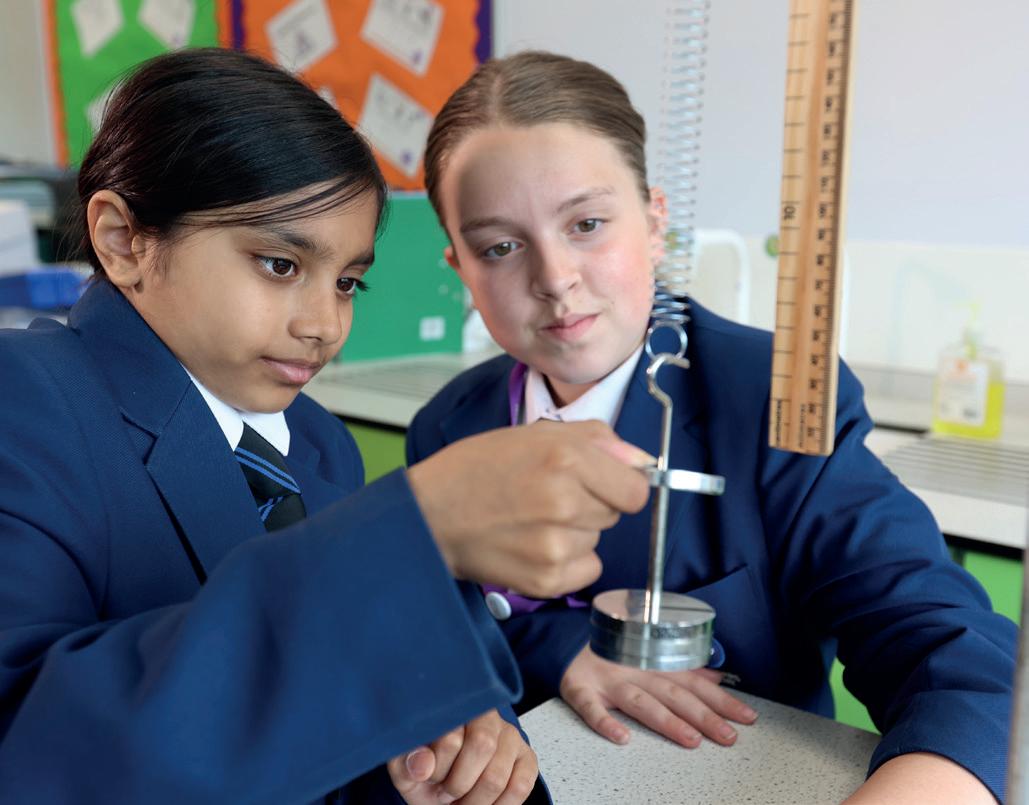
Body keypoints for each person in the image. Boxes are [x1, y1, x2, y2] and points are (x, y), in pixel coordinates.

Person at [0, 48, 655, 805]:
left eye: (347, 282)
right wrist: (411, 533)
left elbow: (356, 685)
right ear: (124, 240)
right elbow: (31, 749)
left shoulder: (317, 442)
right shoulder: (28, 401)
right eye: (279, 264)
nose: (324, 325)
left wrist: (451, 730)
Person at [407, 50, 1017, 803]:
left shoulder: (774, 396)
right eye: (500, 247)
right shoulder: (450, 427)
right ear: (460, 268)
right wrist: (561, 645)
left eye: (587, 224)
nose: (555, 277)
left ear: (655, 221)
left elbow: (949, 650)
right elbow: (434, 626)